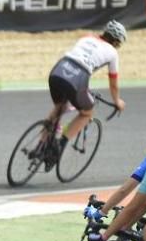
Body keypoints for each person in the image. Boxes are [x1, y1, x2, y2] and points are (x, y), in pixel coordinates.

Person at [47, 20, 127, 157]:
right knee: (87, 113)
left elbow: (80, 58)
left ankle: (41, 144)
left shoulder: (86, 37)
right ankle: (59, 147)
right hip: (77, 77)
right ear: (116, 41)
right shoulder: (112, 52)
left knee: (59, 107)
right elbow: (113, 84)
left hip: (58, 70)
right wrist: (117, 101)